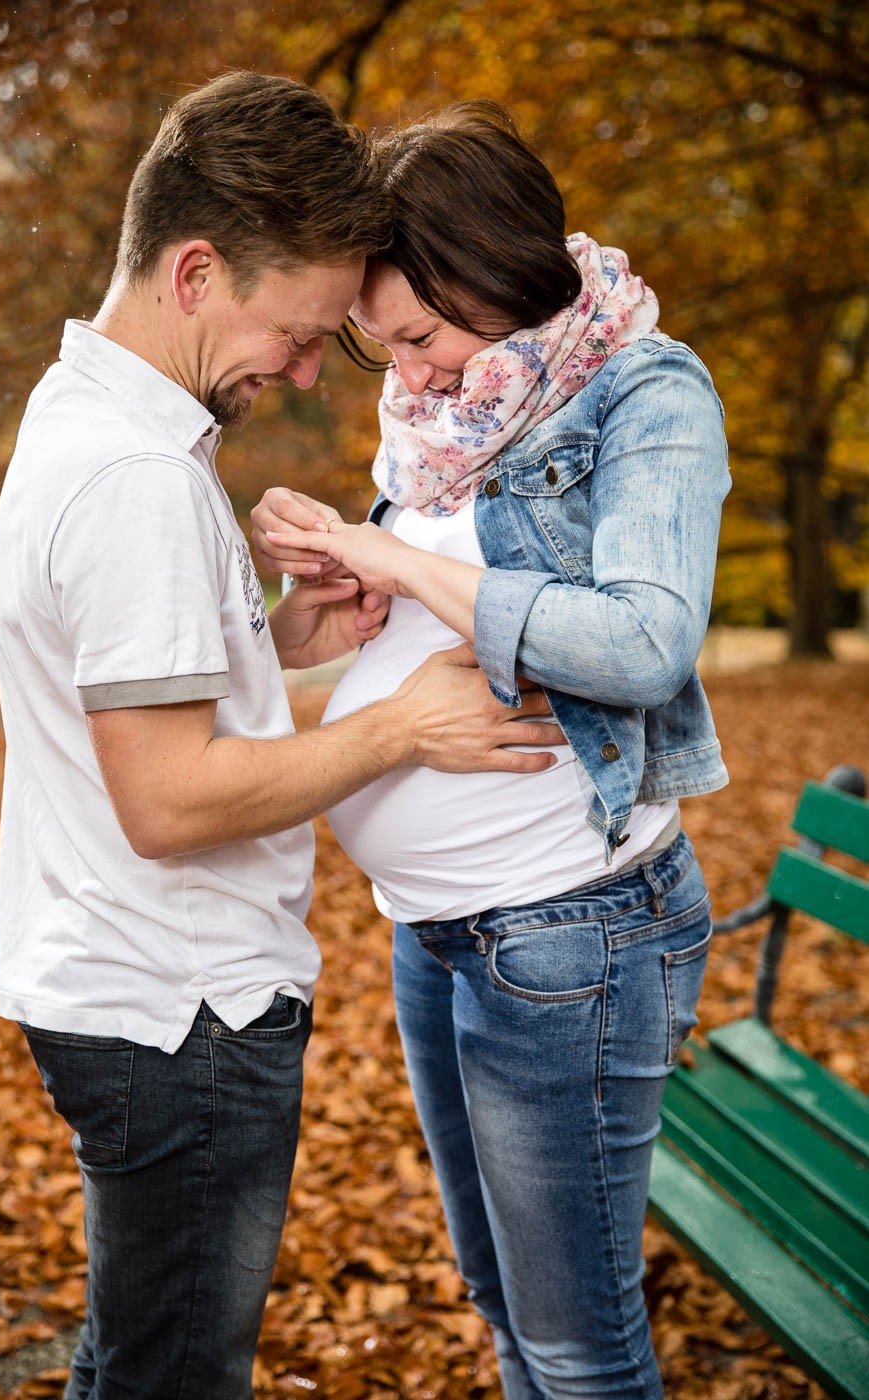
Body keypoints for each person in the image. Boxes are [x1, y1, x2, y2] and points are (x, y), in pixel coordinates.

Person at [0, 77, 559, 1400]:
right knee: (172, 1379)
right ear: (196, 270)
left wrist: (279, 644)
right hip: (182, 1014)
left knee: (137, 1361)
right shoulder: (136, 482)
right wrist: (403, 728)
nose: (308, 369)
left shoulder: (87, 422)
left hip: (129, 988)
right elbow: (171, 800)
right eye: (299, 330)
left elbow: (136, 714)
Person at [252, 100, 731, 1399]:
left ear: (501, 273)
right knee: (500, 1304)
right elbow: (414, 616)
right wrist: (320, 610)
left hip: (571, 930)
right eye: (378, 347)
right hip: (437, 930)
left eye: (417, 336)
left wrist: (391, 554)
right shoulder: (449, 420)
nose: (401, 374)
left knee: (579, 1345)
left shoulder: (641, 389)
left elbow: (642, 645)